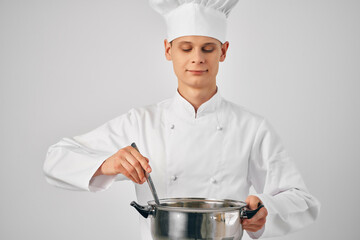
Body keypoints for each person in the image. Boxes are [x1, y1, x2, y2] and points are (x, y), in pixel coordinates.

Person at [43, 0, 320, 239]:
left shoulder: (251, 127)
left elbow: (303, 201)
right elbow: (56, 160)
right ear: (168, 50)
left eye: (208, 49)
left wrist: (264, 208)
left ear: (223, 51)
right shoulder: (141, 122)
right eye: (186, 48)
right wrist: (107, 164)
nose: (197, 59)